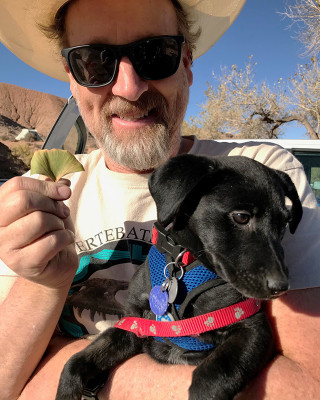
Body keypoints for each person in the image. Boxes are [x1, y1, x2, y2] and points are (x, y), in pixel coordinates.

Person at [0, 0, 319, 399]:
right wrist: (46, 283)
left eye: (156, 54)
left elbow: (307, 386)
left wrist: (71, 370)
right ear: (72, 76)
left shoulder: (262, 173)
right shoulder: (41, 191)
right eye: (95, 63)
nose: (129, 87)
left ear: (186, 63)